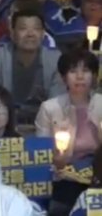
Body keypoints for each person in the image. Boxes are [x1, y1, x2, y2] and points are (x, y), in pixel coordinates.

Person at [36, 48, 102, 213]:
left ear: (94, 76)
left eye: (85, 71)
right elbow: (40, 151)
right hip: (63, 176)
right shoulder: (50, 108)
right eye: (73, 71)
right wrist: (56, 159)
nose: (79, 76)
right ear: (63, 77)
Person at [0, 2, 65, 124]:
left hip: (44, 124)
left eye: (36, 29)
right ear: (12, 33)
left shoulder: (55, 59)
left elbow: (56, 102)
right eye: (23, 28)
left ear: (43, 33)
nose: (30, 34)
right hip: (4, 125)